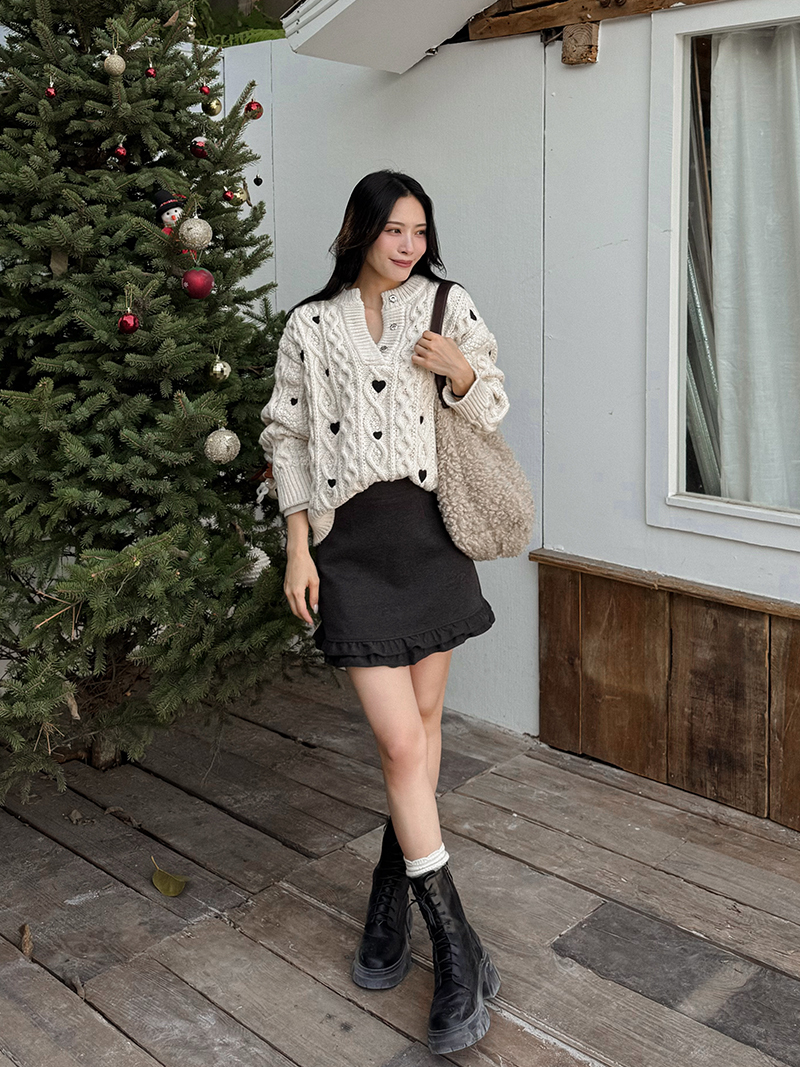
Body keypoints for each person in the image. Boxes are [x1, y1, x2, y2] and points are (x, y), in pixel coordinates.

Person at [259, 170, 509, 1056]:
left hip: (430, 541)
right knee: (402, 744)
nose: (408, 245)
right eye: (394, 228)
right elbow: (286, 437)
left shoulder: (445, 304)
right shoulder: (309, 324)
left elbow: (493, 404)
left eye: (420, 230)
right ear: (359, 229)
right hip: (352, 551)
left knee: (425, 724)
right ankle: (457, 943)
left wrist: (460, 371)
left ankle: (389, 889)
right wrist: (298, 548)